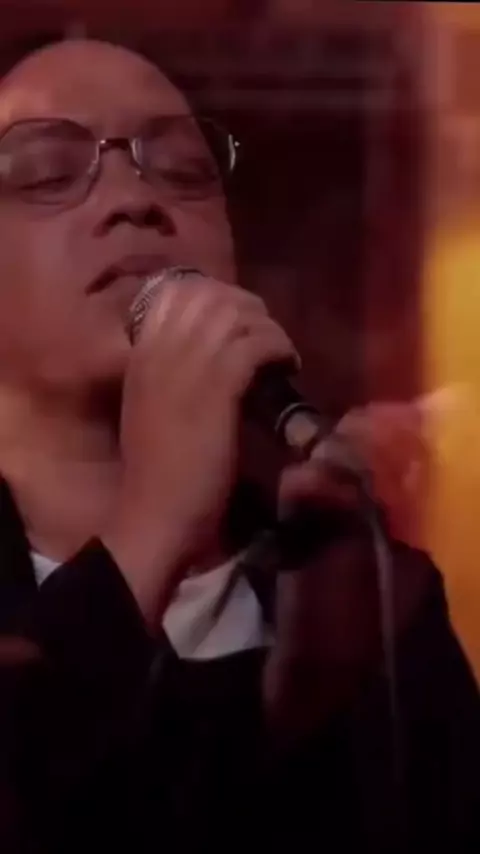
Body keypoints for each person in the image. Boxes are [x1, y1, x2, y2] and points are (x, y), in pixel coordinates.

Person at [0, 36, 476, 854]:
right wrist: (150, 526)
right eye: (47, 174)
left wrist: (318, 690)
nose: (136, 198)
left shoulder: (355, 593)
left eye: (183, 168)